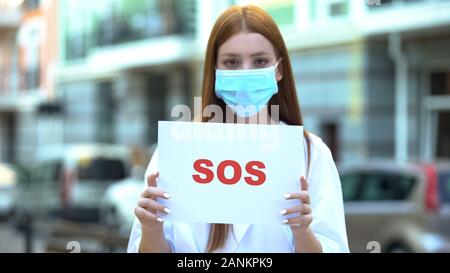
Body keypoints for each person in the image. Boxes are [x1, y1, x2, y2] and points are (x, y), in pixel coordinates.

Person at [128, 5, 349, 253]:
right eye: (231, 62)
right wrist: (150, 229)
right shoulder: (177, 150)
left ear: (279, 70)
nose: (245, 72)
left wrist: (302, 232)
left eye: (259, 61)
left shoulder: (312, 154)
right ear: (215, 70)